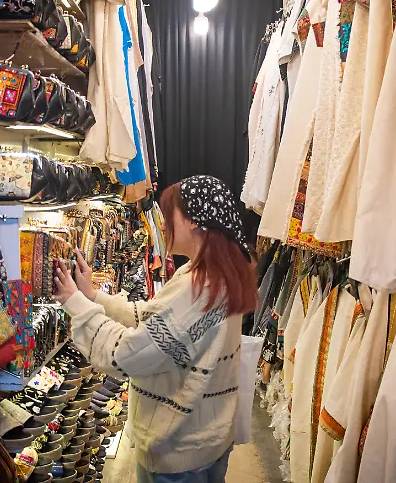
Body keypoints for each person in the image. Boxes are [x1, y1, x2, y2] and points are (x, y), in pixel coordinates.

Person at [54, 175, 257, 483]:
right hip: (208, 437)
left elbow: (126, 356)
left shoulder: (196, 287)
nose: (162, 225)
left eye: (168, 214)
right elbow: (156, 320)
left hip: (180, 451)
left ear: (192, 220)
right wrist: (94, 297)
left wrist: (76, 304)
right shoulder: (213, 273)